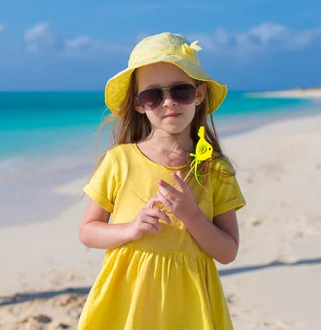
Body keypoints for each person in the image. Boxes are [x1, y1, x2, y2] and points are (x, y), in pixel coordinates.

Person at [78, 32, 246, 329]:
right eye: (153, 95)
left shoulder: (215, 169)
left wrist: (191, 215)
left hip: (188, 303)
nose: (168, 102)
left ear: (199, 94)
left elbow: (227, 251)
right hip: (129, 297)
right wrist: (130, 229)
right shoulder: (120, 160)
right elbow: (88, 232)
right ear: (139, 104)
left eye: (180, 91)